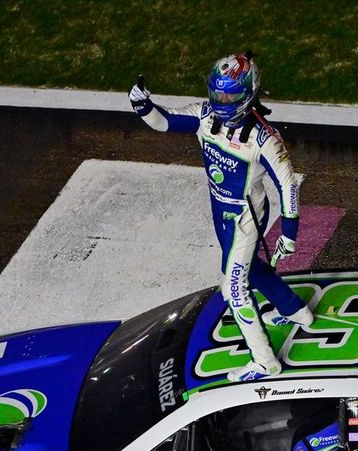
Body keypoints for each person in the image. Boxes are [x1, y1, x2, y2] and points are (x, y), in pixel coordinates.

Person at [129, 52, 314, 382]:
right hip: (220, 211)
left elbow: (287, 184)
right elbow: (165, 122)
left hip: (245, 218)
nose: (220, 101)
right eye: (216, 93)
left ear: (247, 93)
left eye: (228, 95)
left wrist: (289, 233)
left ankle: (265, 362)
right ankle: (296, 310)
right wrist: (142, 104)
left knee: (233, 289)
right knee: (253, 270)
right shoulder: (203, 116)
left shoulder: (264, 139)